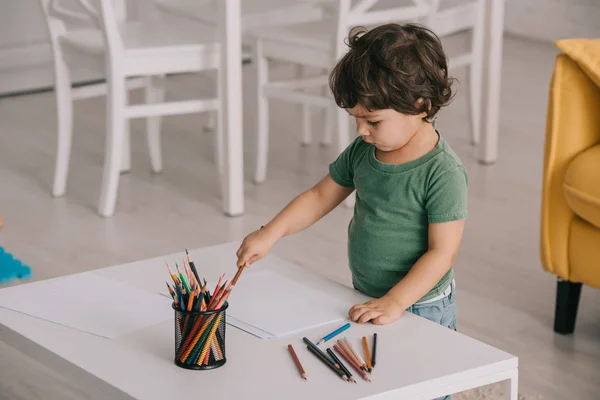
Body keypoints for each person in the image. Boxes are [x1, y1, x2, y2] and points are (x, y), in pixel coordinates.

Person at [236, 23, 467, 332]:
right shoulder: (364, 150)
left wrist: (396, 301)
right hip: (368, 292)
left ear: (420, 105)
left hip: (421, 304)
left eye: (372, 120)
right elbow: (319, 197)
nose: (360, 131)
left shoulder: (442, 173)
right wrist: (271, 233)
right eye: (356, 119)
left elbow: (441, 253)